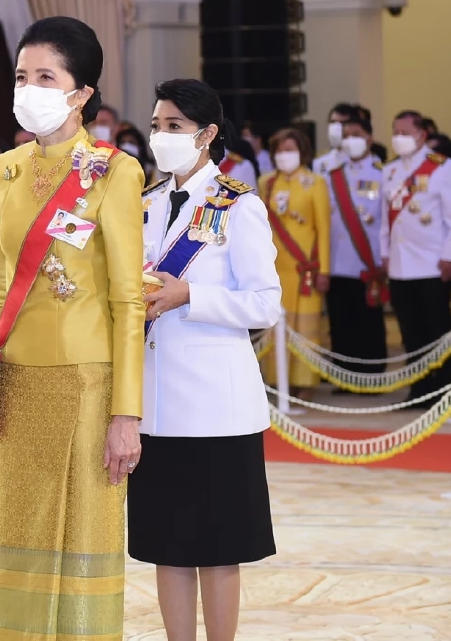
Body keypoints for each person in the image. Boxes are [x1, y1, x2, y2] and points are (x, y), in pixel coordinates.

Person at [0, 16, 144, 640]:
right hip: (15, 385)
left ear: (80, 93)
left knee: (82, 541)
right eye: (22, 76)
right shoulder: (2, 170)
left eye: (47, 76)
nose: (29, 89)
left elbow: (129, 301)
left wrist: (127, 414)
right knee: (15, 541)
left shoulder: (115, 173)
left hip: (86, 389)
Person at [132, 79, 280, 641]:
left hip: (218, 407)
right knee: (166, 546)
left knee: (219, 548)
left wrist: (190, 296)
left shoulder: (239, 206)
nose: (160, 137)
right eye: (156, 126)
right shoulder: (142, 206)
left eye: (173, 126)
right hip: (155, 404)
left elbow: (266, 303)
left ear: (208, 134)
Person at [381, 111, 451, 402]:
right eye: (395, 131)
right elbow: (385, 220)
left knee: (436, 329)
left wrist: (450, 257)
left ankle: (441, 389)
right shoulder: (390, 171)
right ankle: (418, 389)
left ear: (422, 135)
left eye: (405, 132)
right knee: (410, 331)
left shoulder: (444, 168)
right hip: (400, 264)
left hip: (432, 263)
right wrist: (384, 254)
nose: (399, 138)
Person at [260, 128, 330, 397]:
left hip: (305, 269)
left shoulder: (315, 183)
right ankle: (277, 381)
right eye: (279, 150)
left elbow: (323, 229)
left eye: (289, 150)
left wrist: (323, 269)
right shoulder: (266, 182)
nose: (284, 155)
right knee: (275, 325)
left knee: (305, 328)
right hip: (274, 268)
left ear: (302, 153)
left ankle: (305, 383)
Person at [322, 113, 389, 376]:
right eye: (347, 136)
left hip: (367, 258)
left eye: (357, 136)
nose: (351, 141)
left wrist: (384, 258)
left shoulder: (383, 173)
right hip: (337, 259)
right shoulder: (332, 173)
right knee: (340, 319)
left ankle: (372, 373)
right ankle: (344, 373)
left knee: (368, 320)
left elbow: (385, 221)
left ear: (369, 139)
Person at [313, 103, 357, 174]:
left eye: (343, 123)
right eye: (333, 123)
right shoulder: (319, 162)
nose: (336, 128)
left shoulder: (363, 159)